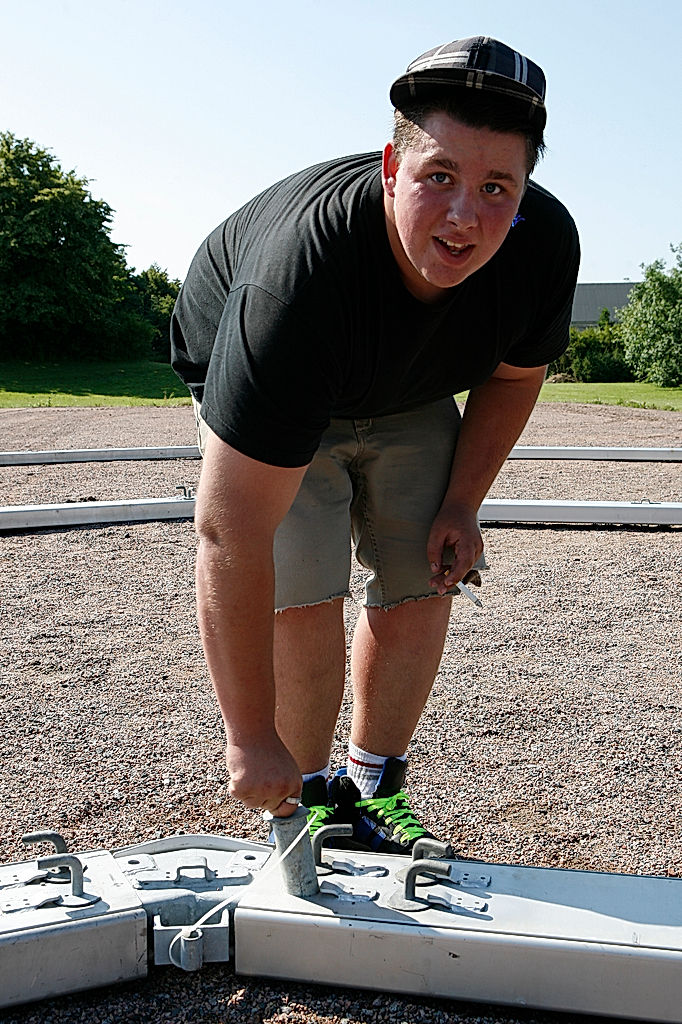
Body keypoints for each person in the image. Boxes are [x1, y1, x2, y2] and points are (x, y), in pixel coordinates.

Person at [171, 36, 580, 854]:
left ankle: (373, 785)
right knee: (306, 583)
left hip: (407, 384)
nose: (466, 214)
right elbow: (231, 532)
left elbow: (512, 376)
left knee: (427, 566)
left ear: (525, 190)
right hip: (288, 378)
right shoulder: (294, 285)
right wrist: (249, 738)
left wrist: (463, 502)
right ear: (392, 167)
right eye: (439, 177)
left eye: (496, 186)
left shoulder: (540, 247)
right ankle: (311, 790)